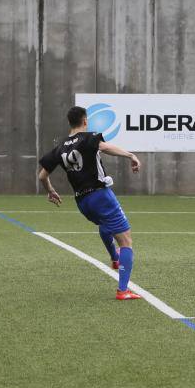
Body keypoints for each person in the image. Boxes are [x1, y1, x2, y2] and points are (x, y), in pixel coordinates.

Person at [38, 106, 143, 300]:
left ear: (70, 123)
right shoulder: (89, 137)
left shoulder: (60, 147)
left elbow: (42, 176)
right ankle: (123, 291)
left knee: (105, 225)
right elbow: (106, 147)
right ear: (85, 121)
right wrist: (130, 155)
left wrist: (51, 191)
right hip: (100, 196)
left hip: (82, 202)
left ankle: (114, 258)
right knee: (126, 240)